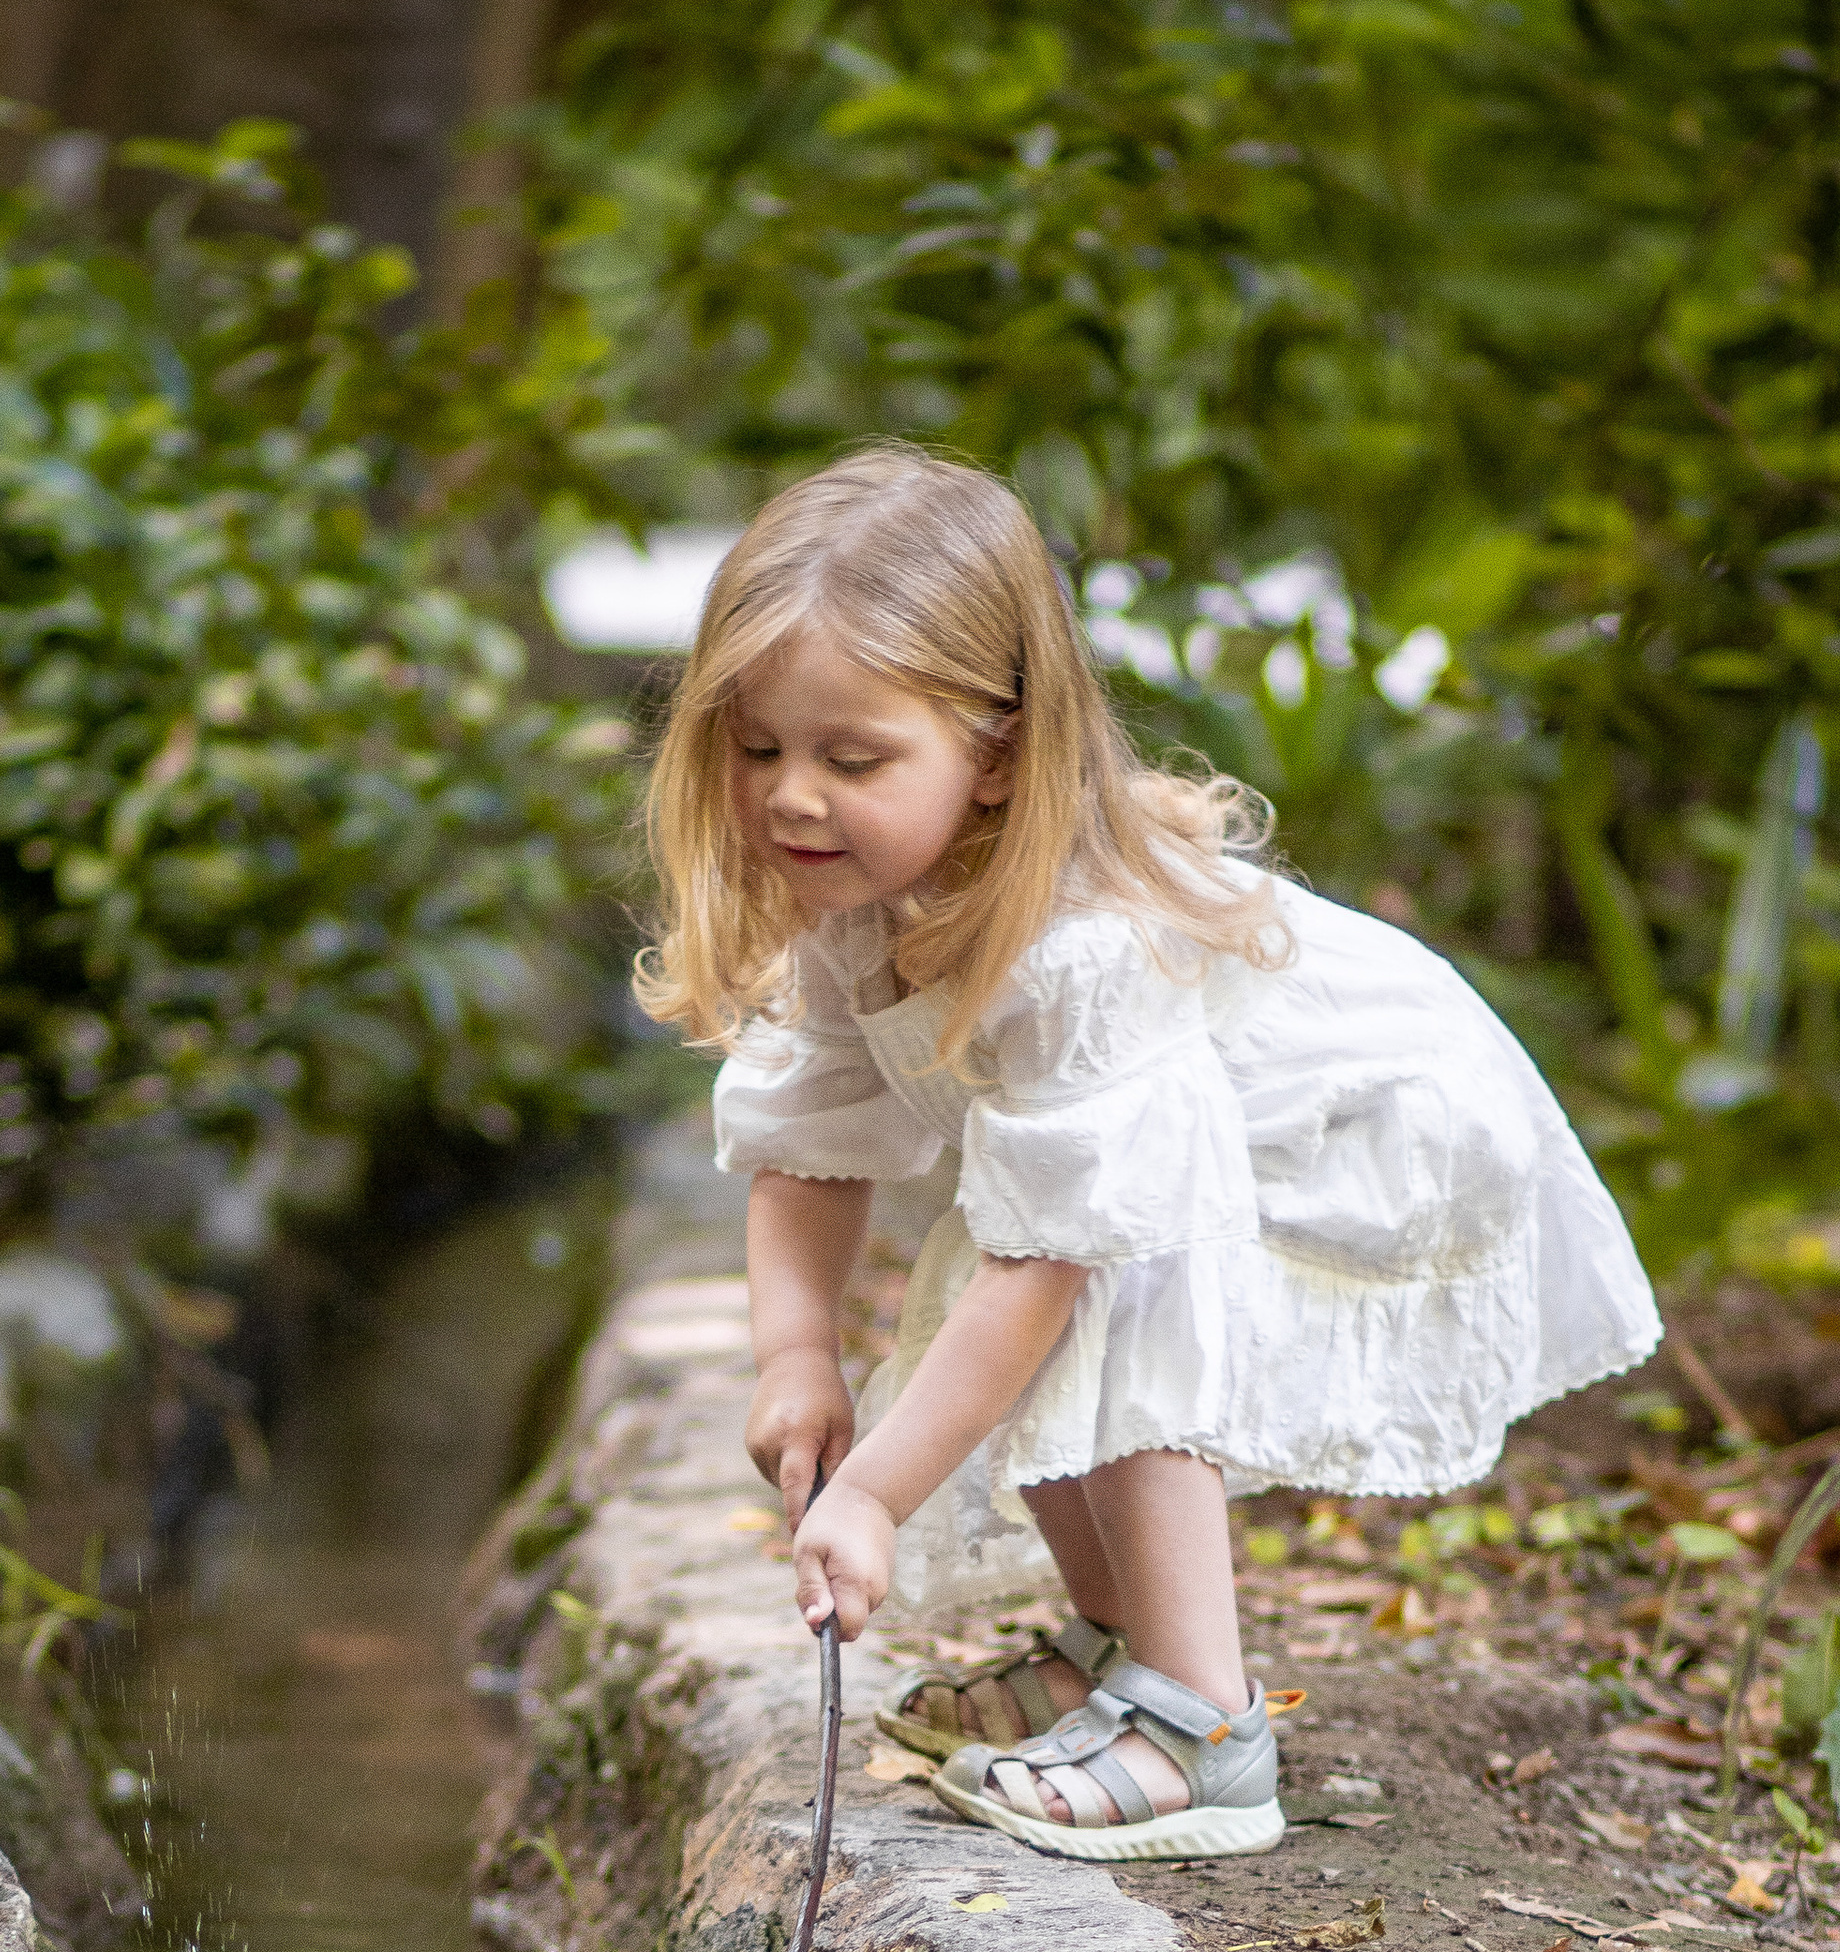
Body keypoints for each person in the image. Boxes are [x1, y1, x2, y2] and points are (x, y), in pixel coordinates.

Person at [634, 444, 1660, 1862]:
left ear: (999, 757)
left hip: (1380, 1134)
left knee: (1108, 1279)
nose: (793, 798)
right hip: (1202, 1159)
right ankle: (1116, 1647)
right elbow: (809, 1145)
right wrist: (795, 1353)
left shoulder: (1083, 946)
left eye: (851, 759)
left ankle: (1203, 1724)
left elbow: (1056, 1263)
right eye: (758, 751)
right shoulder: (858, 892)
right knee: (1035, 1257)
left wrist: (873, 1495)